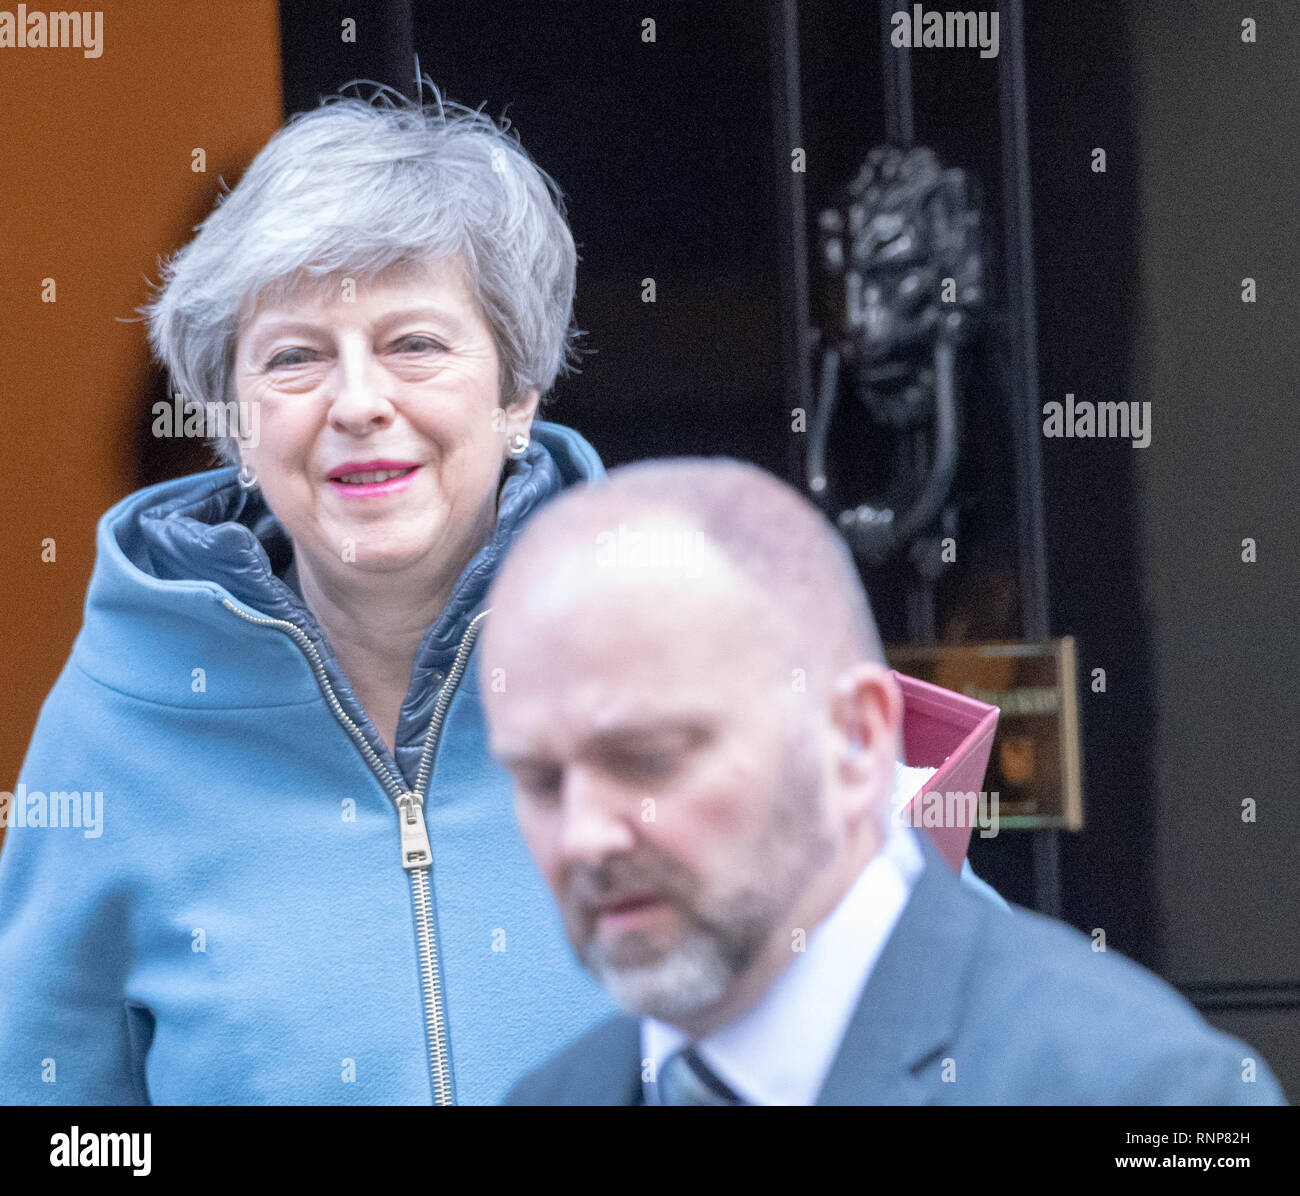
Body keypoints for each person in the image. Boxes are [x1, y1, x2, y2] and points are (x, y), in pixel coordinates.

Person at [0, 84, 618, 1105]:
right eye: (296, 358)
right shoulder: (109, 728)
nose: (360, 402)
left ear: (518, 395)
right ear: (235, 423)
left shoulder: (692, 654)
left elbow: (926, 1020)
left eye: (415, 343)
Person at [478, 458, 1286, 1105]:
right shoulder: (554, 1094)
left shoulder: (1144, 1093)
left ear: (858, 741)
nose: (584, 834)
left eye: (650, 758)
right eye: (541, 781)